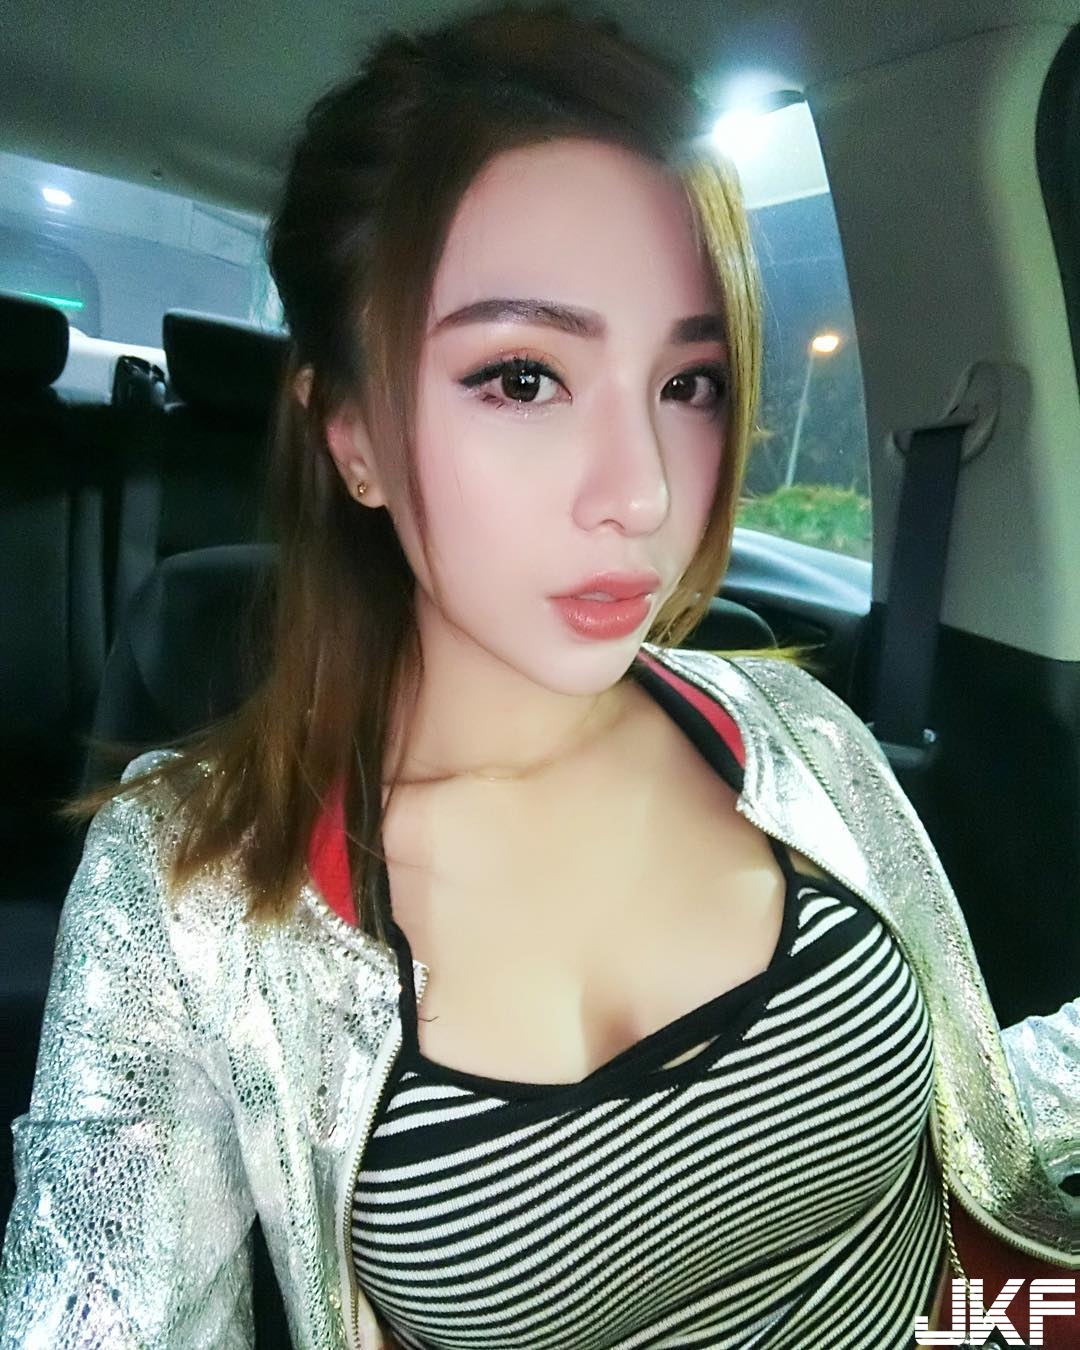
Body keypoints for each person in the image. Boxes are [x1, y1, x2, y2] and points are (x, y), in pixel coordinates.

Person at [1, 4, 1078, 1347]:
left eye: (687, 382)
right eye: (522, 378)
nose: (643, 493)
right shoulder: (190, 884)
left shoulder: (795, 732)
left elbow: (983, 1139)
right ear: (353, 435)